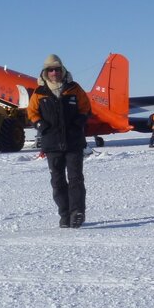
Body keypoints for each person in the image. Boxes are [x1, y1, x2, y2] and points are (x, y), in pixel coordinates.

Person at [27, 54, 92, 229]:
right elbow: (31, 112)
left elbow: (86, 107)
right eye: (50, 70)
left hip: (73, 142)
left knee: (76, 179)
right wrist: (40, 125)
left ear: (62, 70)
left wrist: (79, 122)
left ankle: (77, 213)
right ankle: (65, 214)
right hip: (52, 144)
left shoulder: (74, 88)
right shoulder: (39, 93)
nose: (54, 72)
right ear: (45, 72)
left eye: (57, 69)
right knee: (57, 181)